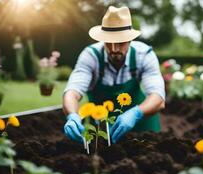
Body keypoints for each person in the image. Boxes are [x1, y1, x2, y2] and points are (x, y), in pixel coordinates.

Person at [62, 6, 165, 144]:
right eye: (108, 43)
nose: (114, 49)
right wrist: (73, 115)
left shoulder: (144, 55)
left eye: (120, 43)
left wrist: (136, 114)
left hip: (140, 123)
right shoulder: (91, 56)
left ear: (130, 40)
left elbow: (158, 97)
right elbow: (72, 92)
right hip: (101, 123)